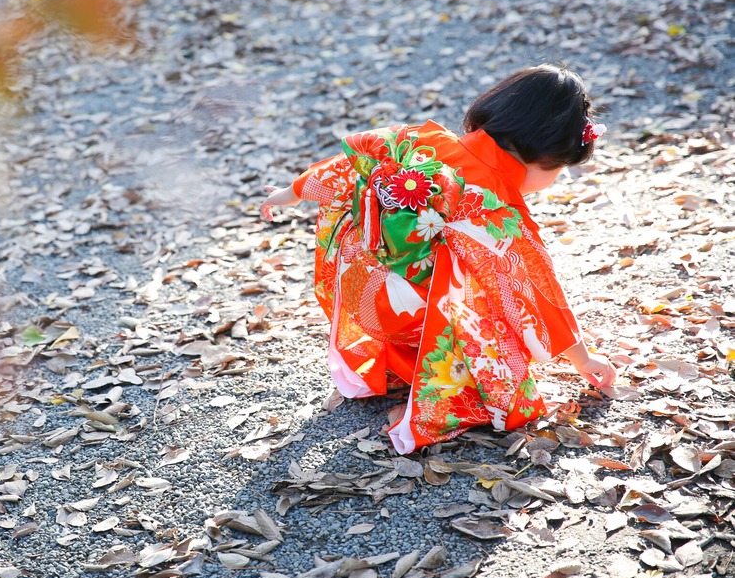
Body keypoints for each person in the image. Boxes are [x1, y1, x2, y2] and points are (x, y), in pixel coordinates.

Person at [261, 65, 616, 454]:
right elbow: (537, 291)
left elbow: (346, 165)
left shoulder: (423, 140)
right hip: (413, 315)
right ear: (545, 156)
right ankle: (435, 400)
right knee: (495, 298)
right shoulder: (493, 206)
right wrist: (582, 358)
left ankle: (403, 365)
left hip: (366, 292)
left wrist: (292, 191)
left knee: (457, 271)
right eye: (560, 169)